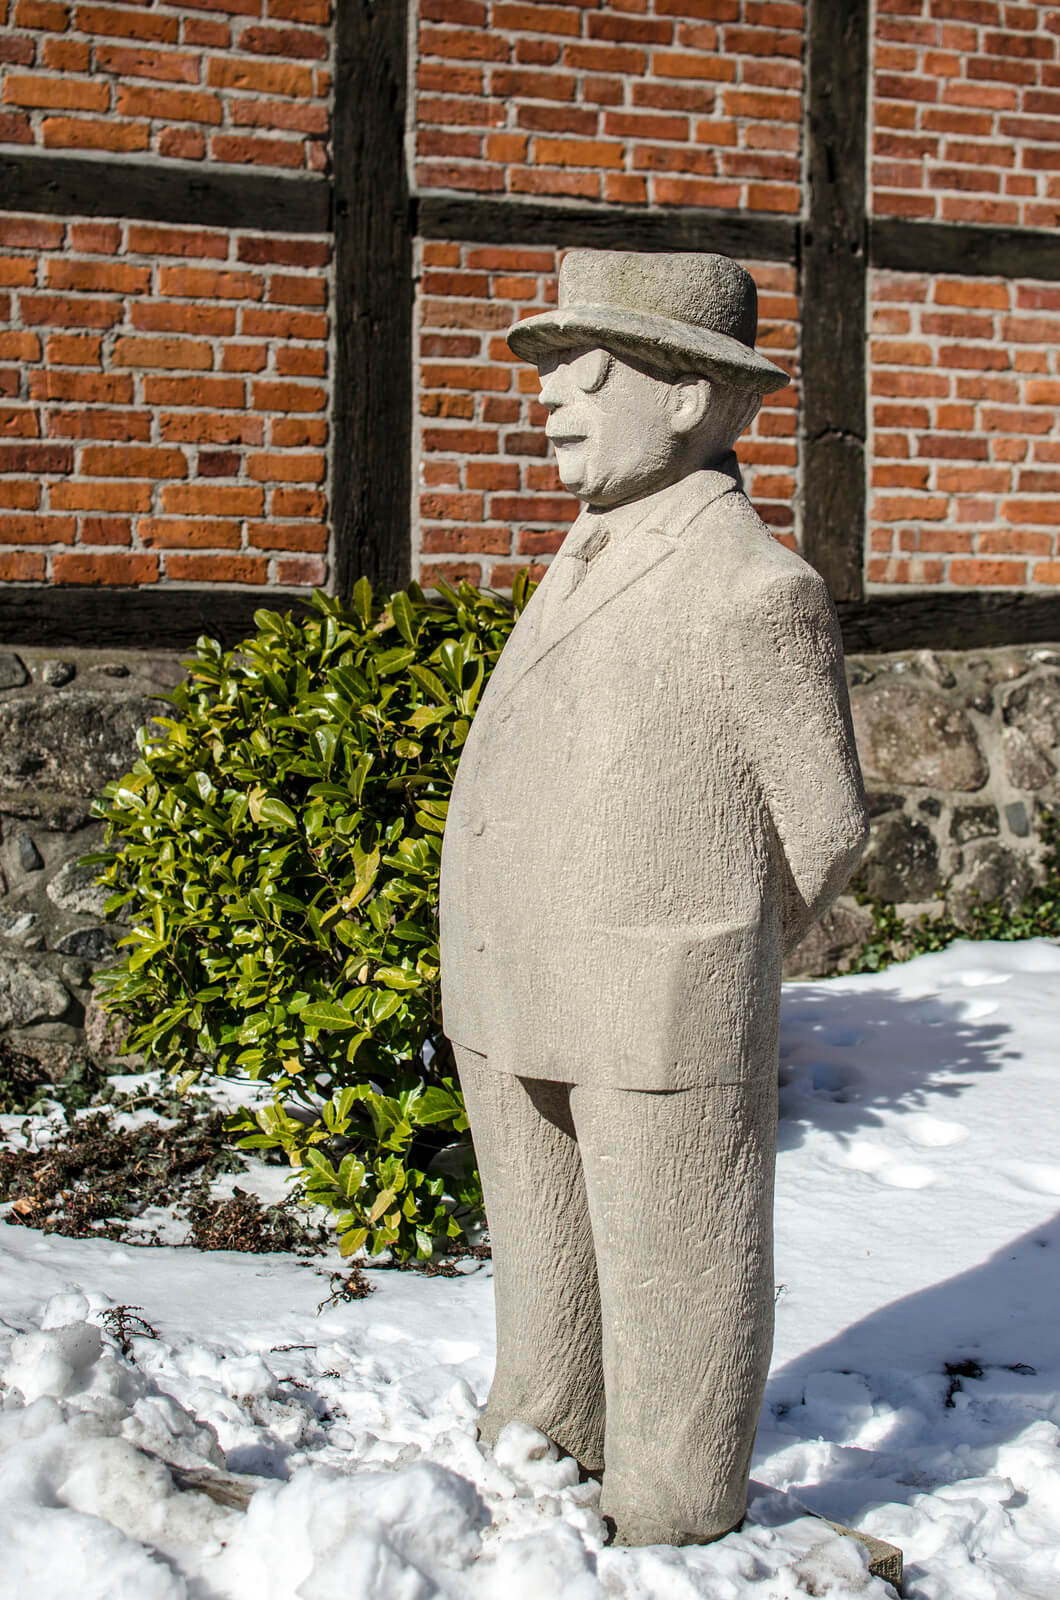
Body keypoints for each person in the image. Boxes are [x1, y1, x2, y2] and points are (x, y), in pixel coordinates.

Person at [439, 249, 868, 1547]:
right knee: (546, 1257)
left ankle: (674, 1508)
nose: (552, 400)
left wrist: (704, 950)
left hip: (652, 993)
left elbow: (827, 829)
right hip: (514, 977)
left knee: (675, 1270)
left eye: (590, 372)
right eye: (550, 375)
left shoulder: (755, 592)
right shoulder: (582, 553)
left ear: (687, 396)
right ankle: (544, 1431)